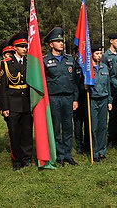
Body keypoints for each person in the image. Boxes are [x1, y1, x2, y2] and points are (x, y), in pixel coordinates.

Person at [43, 27, 79, 166]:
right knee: (56, 127)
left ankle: (68, 154)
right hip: (53, 98)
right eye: (58, 41)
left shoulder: (69, 59)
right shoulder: (45, 60)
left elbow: (75, 81)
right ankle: (59, 155)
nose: (61, 43)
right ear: (51, 44)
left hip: (68, 98)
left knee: (68, 127)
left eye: (62, 41)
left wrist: (75, 99)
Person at [0, 32, 33, 170]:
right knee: (14, 132)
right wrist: (4, 106)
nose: (24, 48)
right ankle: (17, 160)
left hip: (26, 102)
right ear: (14, 48)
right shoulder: (6, 63)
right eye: (21, 46)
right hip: (12, 102)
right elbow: (3, 87)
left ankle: (27, 158)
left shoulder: (30, 61)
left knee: (27, 131)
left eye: (25, 46)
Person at [88, 44, 112, 162]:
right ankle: (95, 151)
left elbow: (108, 85)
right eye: (97, 54)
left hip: (103, 99)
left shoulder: (104, 67)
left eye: (100, 53)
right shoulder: (88, 69)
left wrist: (110, 101)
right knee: (94, 126)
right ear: (92, 54)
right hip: (92, 99)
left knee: (103, 126)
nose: (99, 56)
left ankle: (102, 150)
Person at [102, 33, 117, 149]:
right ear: (111, 41)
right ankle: (110, 139)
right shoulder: (105, 55)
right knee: (112, 115)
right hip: (110, 89)